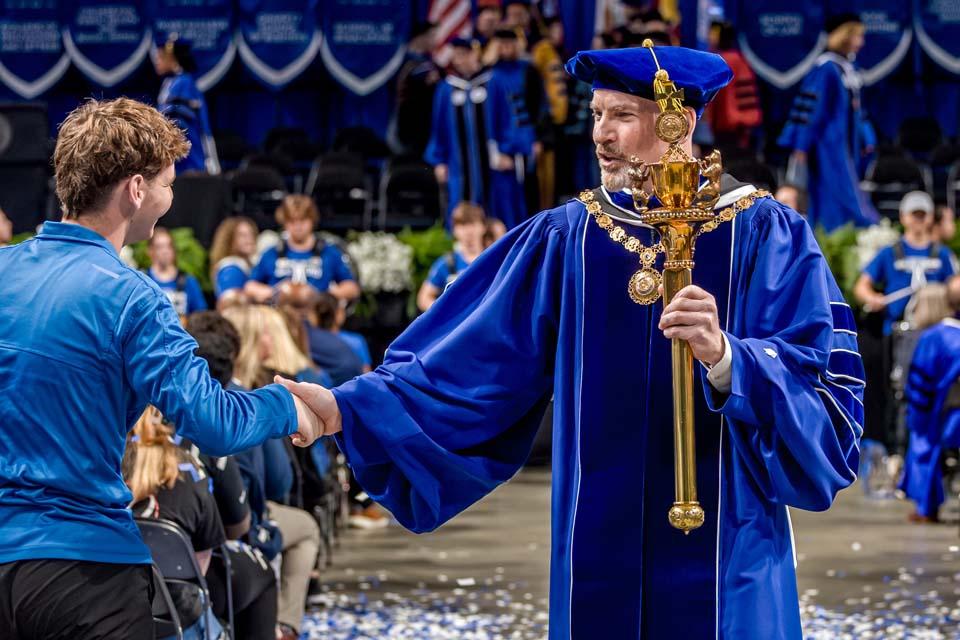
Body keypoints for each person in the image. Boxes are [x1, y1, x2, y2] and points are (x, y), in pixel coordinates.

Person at [280, 44, 864, 638]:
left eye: (622, 116)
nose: (600, 136)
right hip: (596, 542)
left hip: (730, 546)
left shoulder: (766, 234)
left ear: (679, 122)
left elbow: (822, 387)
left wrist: (728, 358)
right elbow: (468, 360)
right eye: (595, 114)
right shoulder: (568, 238)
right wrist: (344, 407)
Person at [0, 97, 322, 639]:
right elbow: (212, 423)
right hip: (83, 571)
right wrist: (288, 405)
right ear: (135, 190)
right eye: (168, 183)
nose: (170, 198)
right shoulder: (132, 297)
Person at [124, 406, 226, 640]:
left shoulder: (105, 464)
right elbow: (201, 563)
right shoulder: (191, 471)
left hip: (116, 600)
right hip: (179, 609)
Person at [777, 12, 878, 232]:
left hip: (848, 146)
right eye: (856, 36)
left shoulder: (849, 68)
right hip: (829, 146)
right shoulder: (826, 69)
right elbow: (812, 111)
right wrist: (801, 147)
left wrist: (866, 138)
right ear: (843, 36)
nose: (861, 42)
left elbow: (858, 111)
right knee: (834, 195)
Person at [899, 276, 960, 523]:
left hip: (946, 418)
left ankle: (927, 508)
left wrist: (917, 416)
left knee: (921, 437)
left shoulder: (934, 338)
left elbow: (920, 388)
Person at [854, 191, 958, 335]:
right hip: (897, 329)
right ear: (903, 217)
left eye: (923, 215)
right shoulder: (888, 252)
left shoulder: (943, 254)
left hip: (936, 331)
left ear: (931, 217)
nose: (919, 219)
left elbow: (955, 287)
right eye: (914, 215)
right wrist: (872, 298)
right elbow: (861, 286)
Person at [425, 37, 494, 226]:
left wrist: (505, 150)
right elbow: (438, 128)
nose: (458, 61)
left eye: (463, 55)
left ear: (475, 54)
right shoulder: (446, 88)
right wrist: (439, 160)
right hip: (457, 163)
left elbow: (504, 121)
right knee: (458, 202)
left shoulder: (492, 83)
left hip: (490, 162)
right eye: (455, 56)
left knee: (493, 203)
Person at [248, 195, 360, 302]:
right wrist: (273, 292)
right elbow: (250, 286)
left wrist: (325, 295)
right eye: (292, 221)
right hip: (280, 316)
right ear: (284, 223)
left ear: (312, 220)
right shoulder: (272, 253)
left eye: (303, 220)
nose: (298, 226)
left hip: (316, 315)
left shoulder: (329, 253)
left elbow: (352, 288)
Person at [487, 28, 542, 228]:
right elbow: (488, 116)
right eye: (501, 44)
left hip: (526, 143)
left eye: (510, 44)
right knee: (506, 198)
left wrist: (538, 138)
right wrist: (494, 151)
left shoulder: (528, 70)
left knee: (529, 193)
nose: (505, 48)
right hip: (503, 147)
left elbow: (539, 106)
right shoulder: (489, 75)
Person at [154, 35, 219, 175]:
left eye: (160, 56)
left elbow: (179, 122)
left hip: (187, 156)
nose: (156, 61)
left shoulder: (183, 83)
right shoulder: (170, 82)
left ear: (171, 57)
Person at [417, 202, 487, 311]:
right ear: (454, 230)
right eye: (463, 225)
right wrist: (445, 313)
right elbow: (424, 298)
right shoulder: (447, 263)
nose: (468, 231)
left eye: (473, 223)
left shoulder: (494, 259)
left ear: (483, 227)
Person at [706, 21, 762, 152]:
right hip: (740, 126)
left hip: (731, 127)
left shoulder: (725, 61)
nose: (709, 39)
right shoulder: (738, 58)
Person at [390, 22, 442, 158]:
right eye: (432, 36)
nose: (436, 40)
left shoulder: (427, 61)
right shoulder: (407, 60)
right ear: (421, 38)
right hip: (407, 126)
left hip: (422, 126)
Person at [210, 216, 272, 308]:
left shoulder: (250, 264)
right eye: (242, 235)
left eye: (251, 234)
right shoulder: (231, 268)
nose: (249, 239)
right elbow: (232, 305)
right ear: (229, 239)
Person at [145, 226, 208, 316]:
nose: (165, 251)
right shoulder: (144, 281)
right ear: (150, 251)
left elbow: (201, 314)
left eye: (169, 246)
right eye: (159, 247)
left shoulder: (188, 281)